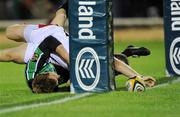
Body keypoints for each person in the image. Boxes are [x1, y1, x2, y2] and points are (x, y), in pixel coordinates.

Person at [0, 8, 155, 93]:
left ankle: (67, 4)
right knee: (9, 36)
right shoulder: (43, 81)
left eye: (55, 78)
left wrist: (138, 76)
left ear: (46, 73)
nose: (57, 77)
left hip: (47, 38)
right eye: (57, 80)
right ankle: (127, 53)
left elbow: (49, 42)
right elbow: (111, 62)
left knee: (9, 42)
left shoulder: (37, 67)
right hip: (47, 39)